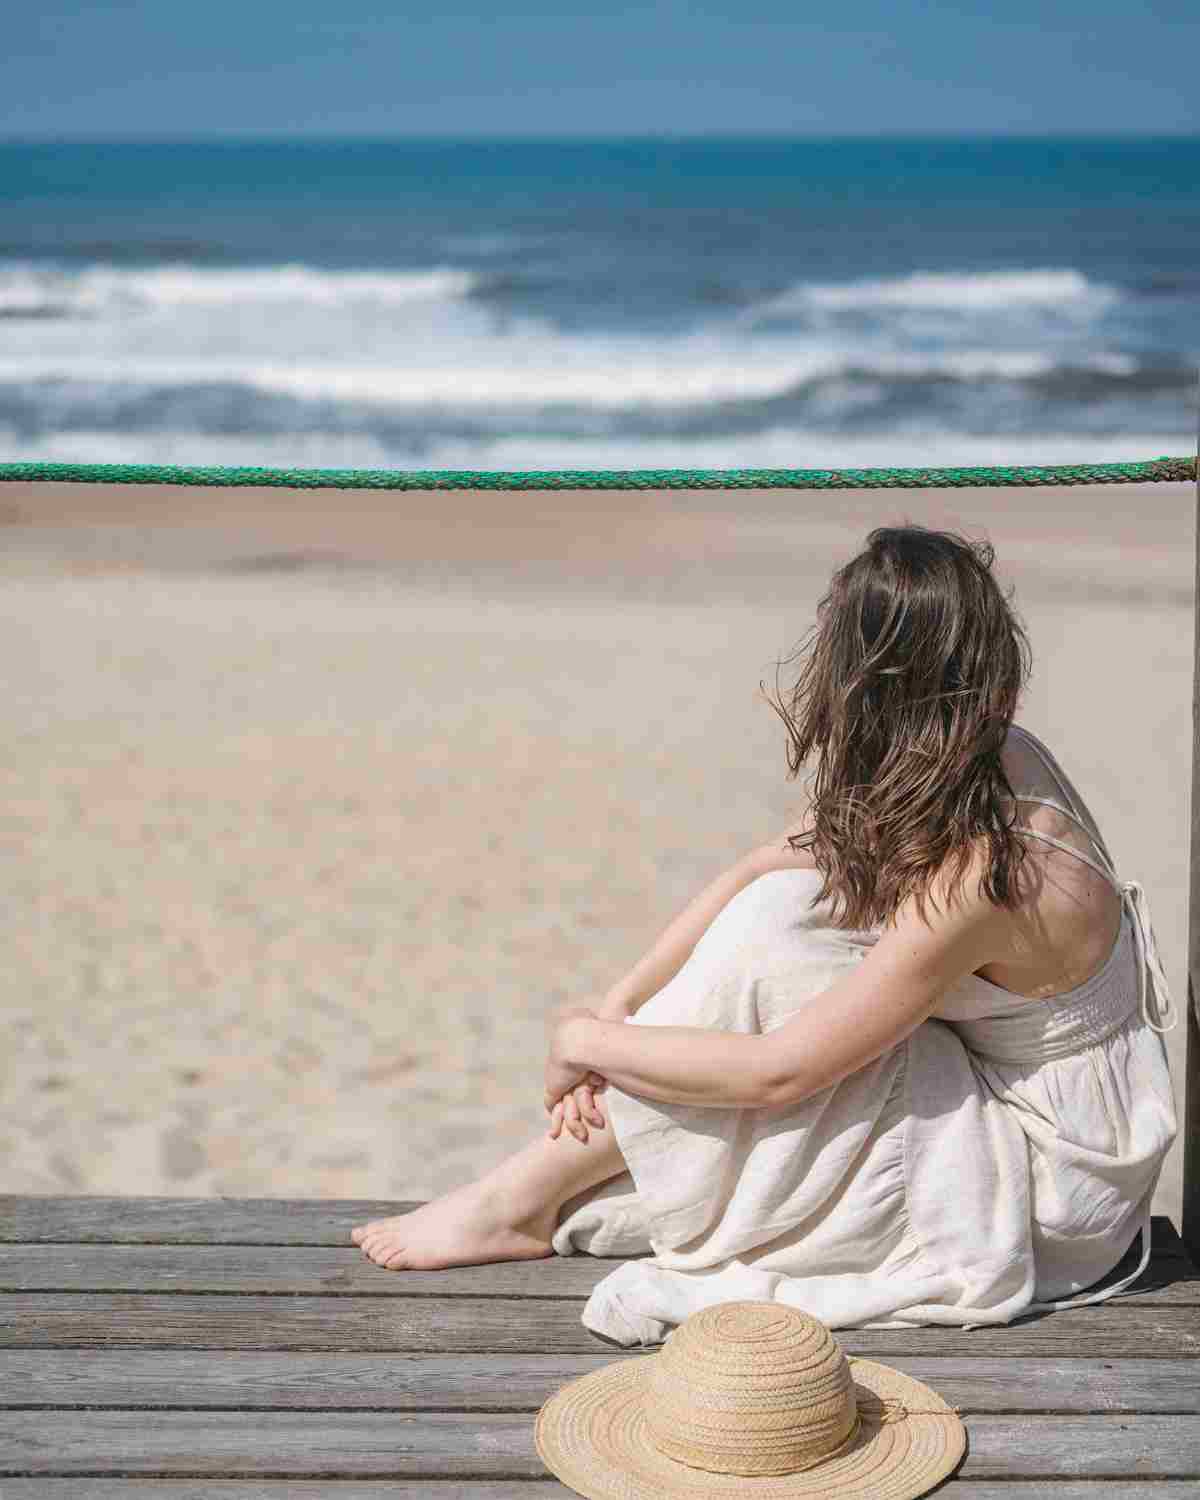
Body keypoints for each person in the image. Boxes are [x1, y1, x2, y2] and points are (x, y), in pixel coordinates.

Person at [351, 524, 1178, 1344]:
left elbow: (780, 1076)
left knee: (776, 987)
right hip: (999, 1079)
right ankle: (522, 1195)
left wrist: (589, 1042)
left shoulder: (987, 875)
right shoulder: (988, 753)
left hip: (1048, 1187)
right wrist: (620, 1002)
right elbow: (764, 867)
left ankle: (516, 1198)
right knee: (773, 921)